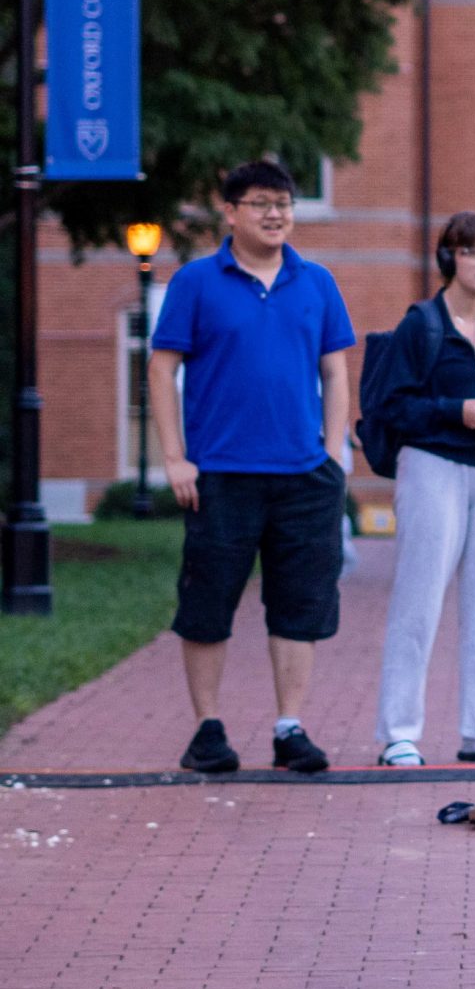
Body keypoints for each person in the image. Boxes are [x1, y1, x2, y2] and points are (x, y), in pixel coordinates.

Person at [148, 161, 355, 776]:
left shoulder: (316, 282)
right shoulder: (196, 282)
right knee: (209, 602)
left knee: (301, 603)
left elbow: (336, 370)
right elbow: (162, 369)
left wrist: (334, 450)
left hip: (304, 476)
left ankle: (290, 728)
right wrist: (175, 457)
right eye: (262, 203)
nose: (276, 214)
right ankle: (208, 731)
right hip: (220, 473)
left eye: (285, 203)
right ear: (231, 212)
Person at [369, 212, 475, 768]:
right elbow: (394, 407)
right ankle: (399, 733)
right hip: (432, 466)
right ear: (450, 259)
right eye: (474, 252)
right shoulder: (421, 324)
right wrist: (453, 411)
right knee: (419, 599)